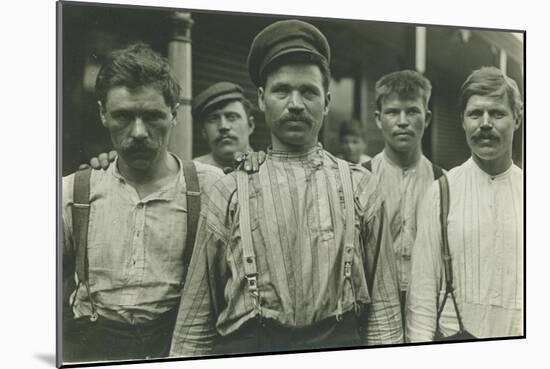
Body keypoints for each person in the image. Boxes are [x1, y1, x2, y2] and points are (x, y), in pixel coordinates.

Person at [169, 19, 402, 358]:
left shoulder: (361, 187)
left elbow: (384, 310)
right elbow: (196, 315)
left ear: (326, 100)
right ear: (262, 100)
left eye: (308, 91)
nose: (295, 103)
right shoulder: (229, 190)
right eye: (282, 91)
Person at [61, 43, 223, 362]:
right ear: (102, 114)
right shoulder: (71, 193)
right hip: (91, 350)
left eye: (152, 116)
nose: (138, 132)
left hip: (175, 347)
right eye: (123, 115)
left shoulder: (210, 186)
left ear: (174, 114)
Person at [406, 66, 523, 341]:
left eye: (497, 113)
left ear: (517, 118)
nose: (485, 124)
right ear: (463, 121)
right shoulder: (442, 192)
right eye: (475, 114)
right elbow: (422, 297)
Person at [365, 70, 443, 326]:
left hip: (427, 306)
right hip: (373, 307)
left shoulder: (443, 182)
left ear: (427, 117)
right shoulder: (360, 179)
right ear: (378, 119)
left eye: (412, 111)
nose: (402, 121)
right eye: (392, 112)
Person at [193, 81, 256, 172]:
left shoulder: (270, 171)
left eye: (232, 117)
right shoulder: (192, 173)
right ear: (204, 132)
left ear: (250, 125)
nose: (223, 126)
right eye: (213, 119)